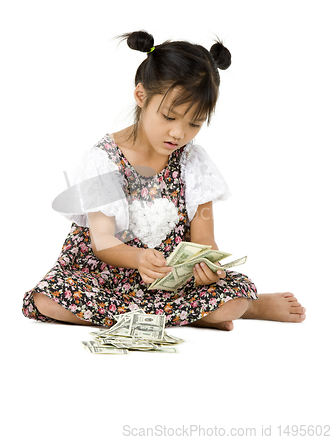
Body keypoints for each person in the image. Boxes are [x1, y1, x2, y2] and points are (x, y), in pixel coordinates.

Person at [22, 30, 306, 331]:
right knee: (47, 299)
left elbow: (204, 240)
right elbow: (103, 242)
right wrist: (139, 258)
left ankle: (243, 306)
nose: (178, 134)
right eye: (170, 117)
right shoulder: (103, 160)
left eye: (194, 123)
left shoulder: (192, 163)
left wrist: (205, 267)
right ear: (141, 96)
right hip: (107, 275)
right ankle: (201, 314)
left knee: (231, 295)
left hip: (171, 280)